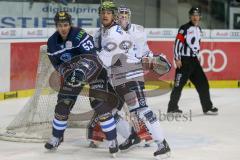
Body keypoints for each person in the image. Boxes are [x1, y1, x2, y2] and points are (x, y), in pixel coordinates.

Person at [96, 1, 171, 157]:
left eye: (108, 12)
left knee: (142, 110)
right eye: (102, 12)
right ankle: (133, 136)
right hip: (116, 80)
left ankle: (162, 144)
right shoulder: (103, 32)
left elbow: (104, 59)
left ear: (114, 16)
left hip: (130, 77)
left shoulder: (115, 33)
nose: (105, 15)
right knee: (107, 112)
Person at [44, 11, 119, 156]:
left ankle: (112, 140)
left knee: (100, 104)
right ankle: (56, 137)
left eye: (66, 25)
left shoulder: (79, 34)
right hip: (74, 75)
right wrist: (68, 74)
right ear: (56, 26)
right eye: (60, 25)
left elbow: (91, 57)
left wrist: (80, 72)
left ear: (70, 24)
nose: (63, 28)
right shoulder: (52, 43)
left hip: (96, 71)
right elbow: (58, 65)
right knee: (62, 105)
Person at [167, 7, 218, 115]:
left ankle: (207, 107)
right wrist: (177, 58)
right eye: (193, 15)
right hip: (184, 61)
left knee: (203, 83)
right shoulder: (184, 28)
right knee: (178, 85)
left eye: (197, 15)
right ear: (190, 16)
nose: (195, 17)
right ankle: (172, 108)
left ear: (200, 17)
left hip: (194, 61)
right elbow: (177, 43)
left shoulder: (199, 29)